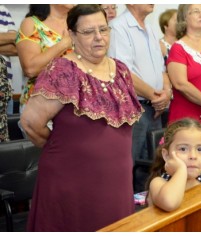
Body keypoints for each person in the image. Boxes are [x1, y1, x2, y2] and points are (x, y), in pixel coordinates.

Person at [20, 5, 143, 231]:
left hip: (116, 181)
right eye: (88, 32)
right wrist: (65, 148)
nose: (98, 38)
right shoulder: (62, 70)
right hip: (71, 182)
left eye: (103, 30)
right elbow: (30, 123)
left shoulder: (122, 71)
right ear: (72, 35)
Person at [108, 4, 172, 192]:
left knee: (153, 165)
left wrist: (166, 93)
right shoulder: (118, 27)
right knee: (130, 164)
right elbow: (122, 72)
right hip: (134, 107)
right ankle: (126, 214)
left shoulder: (150, 29)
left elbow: (162, 69)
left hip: (155, 107)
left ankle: (146, 210)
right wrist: (156, 97)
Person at [16, 4, 74, 111]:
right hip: (39, 105)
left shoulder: (79, 23)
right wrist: (64, 44)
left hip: (74, 104)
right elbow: (30, 69)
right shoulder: (32, 23)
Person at [167, 4, 201, 124]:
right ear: (185, 17)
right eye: (196, 11)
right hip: (186, 117)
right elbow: (180, 84)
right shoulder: (178, 48)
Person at [0, 4, 17, 142]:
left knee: (5, 147)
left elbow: (15, 47)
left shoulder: (3, 10)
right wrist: (5, 37)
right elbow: (10, 38)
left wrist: (10, 38)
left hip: (5, 90)